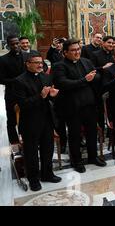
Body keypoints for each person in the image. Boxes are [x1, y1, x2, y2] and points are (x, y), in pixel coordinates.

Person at [52, 39, 106, 173]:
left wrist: (91, 78)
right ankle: (76, 161)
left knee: (91, 133)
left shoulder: (86, 62)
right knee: (75, 135)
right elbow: (63, 83)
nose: (77, 52)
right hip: (72, 108)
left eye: (78, 49)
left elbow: (97, 75)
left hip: (89, 105)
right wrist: (84, 80)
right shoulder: (59, 66)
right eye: (73, 50)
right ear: (65, 52)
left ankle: (93, 157)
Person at [13, 52, 62, 191]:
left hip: (46, 119)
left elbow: (48, 99)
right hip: (30, 122)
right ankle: (33, 179)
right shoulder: (19, 81)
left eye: (41, 62)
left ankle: (47, 174)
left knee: (48, 149)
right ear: (27, 64)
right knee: (31, 153)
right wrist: (41, 96)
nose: (40, 65)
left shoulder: (46, 77)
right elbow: (22, 104)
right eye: (36, 62)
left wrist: (52, 96)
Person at [0, 35, 26, 144]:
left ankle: (28, 142)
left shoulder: (27, 57)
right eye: (12, 44)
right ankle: (15, 146)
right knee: (11, 121)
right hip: (12, 94)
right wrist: (17, 81)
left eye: (17, 43)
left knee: (27, 119)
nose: (15, 46)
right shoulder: (3, 59)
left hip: (27, 93)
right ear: (8, 45)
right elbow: (1, 79)